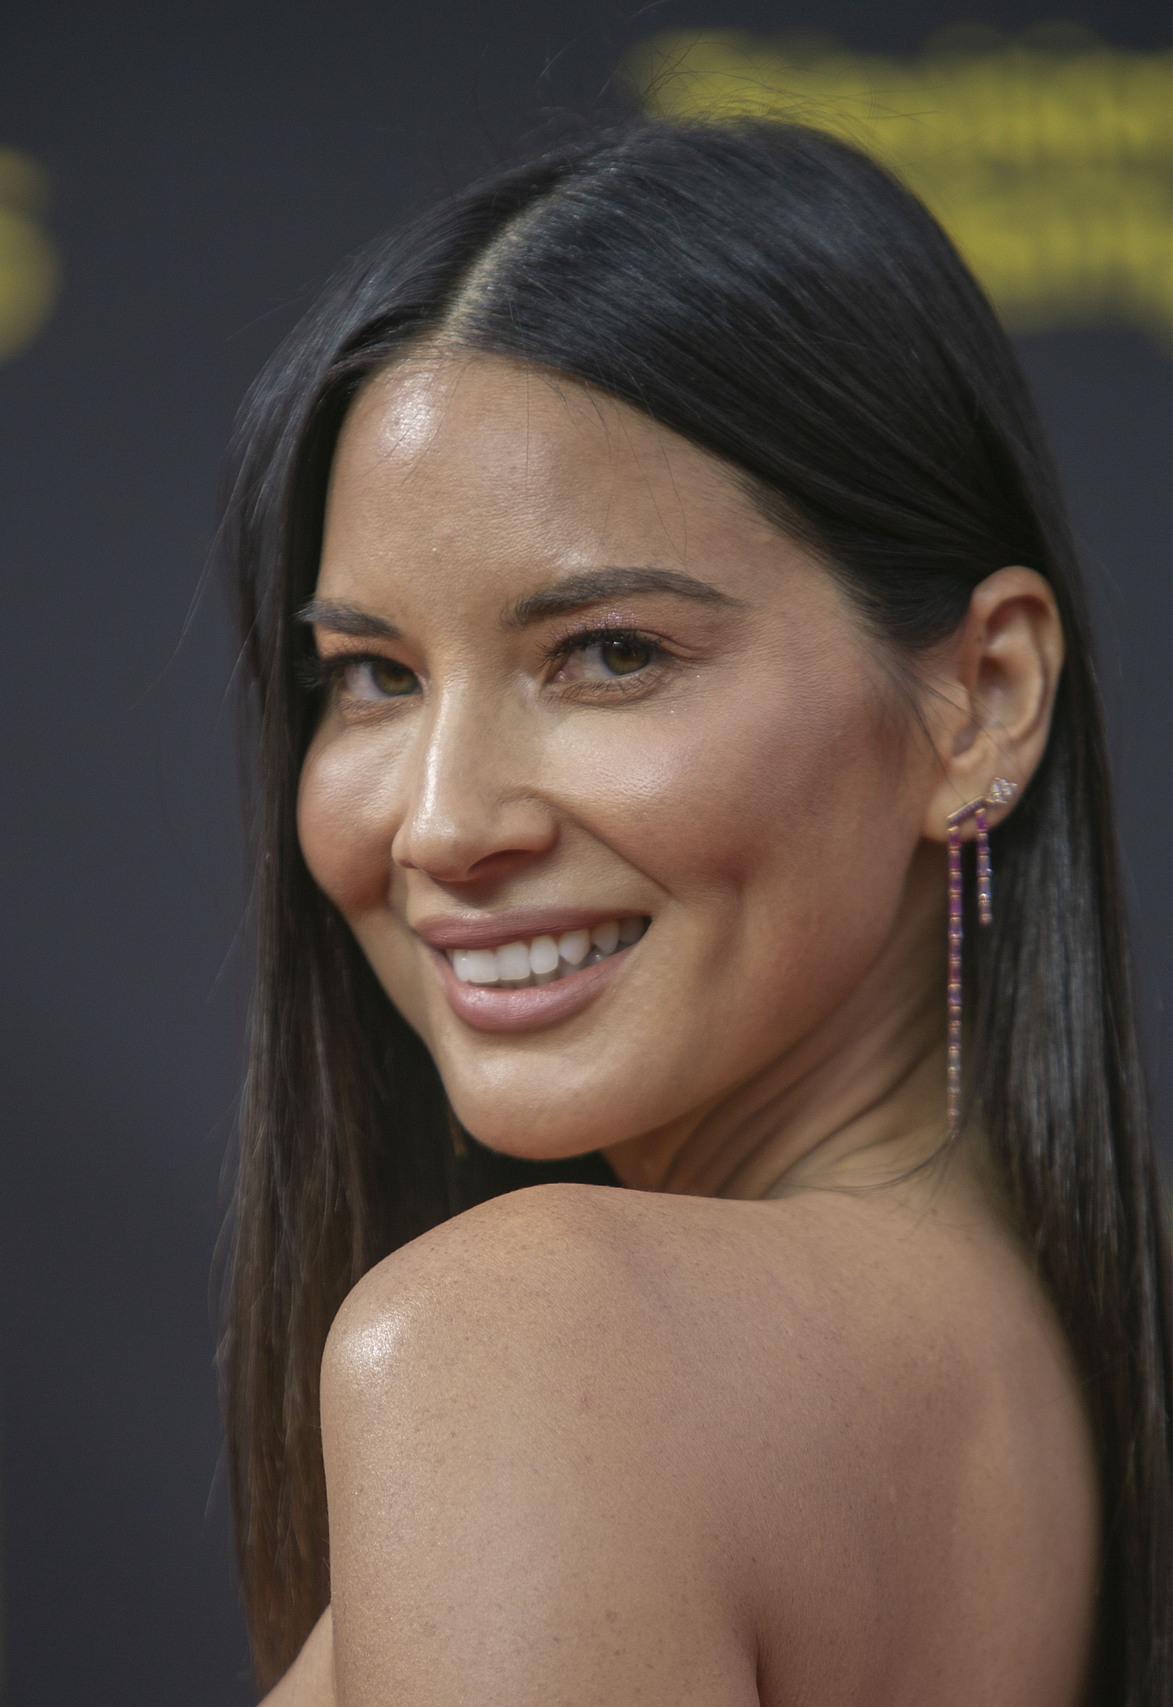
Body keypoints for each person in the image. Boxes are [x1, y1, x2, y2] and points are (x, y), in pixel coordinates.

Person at [214, 114, 1171, 1705]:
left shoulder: (535, 1342)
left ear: (983, 701)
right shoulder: (1058, 1377)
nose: (443, 823)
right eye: (374, 676)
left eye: (609, 654)